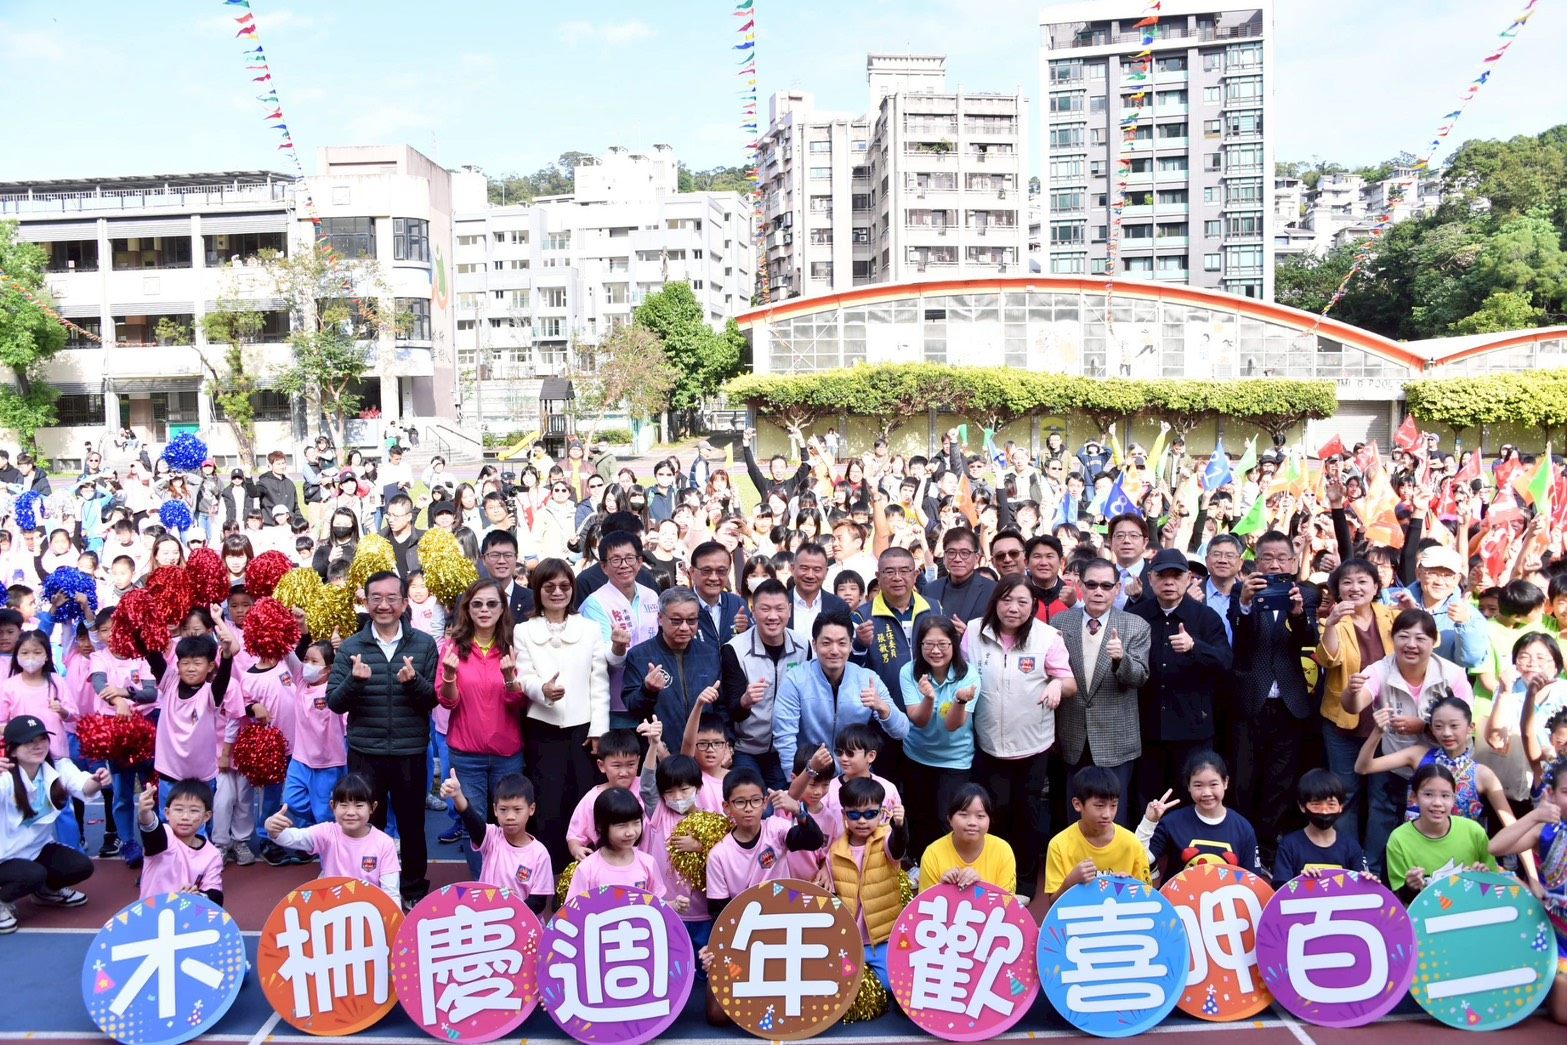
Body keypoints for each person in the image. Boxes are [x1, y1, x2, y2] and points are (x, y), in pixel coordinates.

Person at [326, 571, 439, 907]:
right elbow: (334, 702)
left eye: (392, 598)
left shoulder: (423, 644)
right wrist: (355, 682)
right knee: (365, 826)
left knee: (412, 826)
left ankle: (413, 891)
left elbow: (431, 699)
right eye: (377, 598)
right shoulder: (351, 647)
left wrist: (413, 682)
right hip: (365, 752)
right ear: (367, 600)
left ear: (405, 602)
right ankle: (367, 891)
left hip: (409, 751)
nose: (384, 605)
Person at [967, 576, 1077, 898]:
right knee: (994, 812)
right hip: (988, 744)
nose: (1013, 608)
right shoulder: (974, 632)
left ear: (1033, 606)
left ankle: (1025, 883)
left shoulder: (1047, 637)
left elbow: (1068, 681)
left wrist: (1056, 684)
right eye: (1006, 600)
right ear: (995, 601)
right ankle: (994, 878)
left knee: (1027, 816)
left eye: (1022, 602)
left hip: (1033, 744)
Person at [702, 765, 824, 1024]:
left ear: (765, 802)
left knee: (804, 1004)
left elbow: (813, 840)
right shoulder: (719, 856)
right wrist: (723, 953)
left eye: (756, 800)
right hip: (744, 935)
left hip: (785, 927)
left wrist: (799, 811)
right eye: (741, 802)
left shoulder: (777, 828)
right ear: (727, 807)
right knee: (717, 1015)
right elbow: (719, 913)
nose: (749, 808)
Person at [515, 559, 613, 870]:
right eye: (549, 587)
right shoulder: (523, 630)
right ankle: (548, 874)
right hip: (542, 728)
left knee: (582, 800)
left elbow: (598, 681)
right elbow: (524, 674)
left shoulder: (589, 628)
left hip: (583, 730)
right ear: (538, 590)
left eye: (564, 586)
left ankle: (586, 872)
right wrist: (542, 690)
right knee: (546, 803)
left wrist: (599, 730)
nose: (557, 592)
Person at [1231, 530, 1320, 869]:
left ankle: (1268, 852)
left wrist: (1298, 615)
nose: (1275, 564)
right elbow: (1240, 640)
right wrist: (1245, 603)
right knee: (1243, 780)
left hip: (1289, 704)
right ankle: (1242, 849)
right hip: (1249, 702)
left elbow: (1308, 640)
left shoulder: (1306, 595)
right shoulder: (1243, 594)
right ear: (1256, 562)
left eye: (1282, 558)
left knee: (1280, 784)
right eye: (1268, 558)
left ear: (1293, 563)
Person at [1127, 548, 1230, 808]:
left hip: (1192, 727)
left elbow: (1225, 662)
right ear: (1150, 579)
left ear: (1188, 579)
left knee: (1189, 798)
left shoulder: (1205, 617)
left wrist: (1195, 647)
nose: (1169, 582)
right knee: (1147, 799)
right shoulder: (1138, 616)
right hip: (1146, 727)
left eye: (1176, 575)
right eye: (1162, 576)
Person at [438, 579, 524, 878]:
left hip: (508, 753)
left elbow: (518, 702)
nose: (484, 610)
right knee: (472, 825)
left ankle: (510, 884)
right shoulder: (453, 647)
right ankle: (480, 886)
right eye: (477, 604)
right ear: (467, 609)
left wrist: (510, 676)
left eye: (491, 604)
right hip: (466, 754)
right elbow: (448, 702)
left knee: (510, 824)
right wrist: (450, 675)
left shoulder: (513, 645)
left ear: (502, 608)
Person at [1314, 557, 1398, 850]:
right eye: (1346, 582)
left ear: (1376, 586)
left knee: (1382, 798)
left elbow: (1424, 646)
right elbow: (1329, 659)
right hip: (1343, 724)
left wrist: (1415, 613)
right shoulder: (1331, 619)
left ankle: (1375, 865)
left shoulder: (1392, 617)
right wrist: (1333, 624)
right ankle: (1348, 863)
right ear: (1337, 590)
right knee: (1345, 795)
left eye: (1363, 581)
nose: (1355, 587)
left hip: (1386, 723)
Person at [0, 715, 105, 932]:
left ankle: (45, 892)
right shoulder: (5, 778)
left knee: (81, 866)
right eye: (29, 742)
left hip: (36, 850)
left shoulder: (58, 767)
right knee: (33, 875)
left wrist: (97, 781)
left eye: (41, 739)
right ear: (11, 750)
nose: (38, 745)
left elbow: (84, 786)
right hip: (5, 857)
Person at [772, 612, 907, 776]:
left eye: (842, 643)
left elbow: (901, 731)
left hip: (854, 777)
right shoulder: (795, 679)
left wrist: (883, 708)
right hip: (812, 775)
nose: (834, 650)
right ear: (814, 645)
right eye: (826, 643)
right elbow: (785, 737)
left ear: (851, 645)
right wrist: (796, 781)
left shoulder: (867, 678)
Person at [1488, 757, 1567, 1026]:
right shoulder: (1545, 831)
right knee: (1562, 1014)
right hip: (1558, 938)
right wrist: (1535, 815)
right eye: (1566, 792)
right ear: (1551, 794)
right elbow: (1495, 847)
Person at [899, 615, 980, 859]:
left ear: (954, 645)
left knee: (948, 817)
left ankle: (951, 866)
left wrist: (958, 700)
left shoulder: (969, 676)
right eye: (928, 644)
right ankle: (919, 865)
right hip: (917, 755)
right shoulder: (909, 671)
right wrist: (929, 698)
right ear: (919, 646)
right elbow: (919, 720)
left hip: (955, 759)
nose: (936, 651)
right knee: (918, 815)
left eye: (943, 644)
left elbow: (954, 724)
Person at [719, 579, 809, 793]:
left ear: (789, 610)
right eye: (765, 609)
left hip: (785, 748)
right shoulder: (735, 649)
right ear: (753, 610)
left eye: (779, 609)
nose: (772, 616)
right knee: (751, 804)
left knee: (785, 806)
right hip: (746, 749)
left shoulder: (803, 646)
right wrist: (745, 701)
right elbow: (731, 708)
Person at [265, 773, 402, 904]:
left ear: (373, 807)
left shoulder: (384, 843)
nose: (351, 812)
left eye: (359, 805)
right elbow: (291, 838)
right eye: (343, 805)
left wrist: (393, 923)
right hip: (330, 912)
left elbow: (391, 894)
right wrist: (271, 826)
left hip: (369, 915)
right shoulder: (326, 833)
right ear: (333, 806)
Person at [826, 775, 906, 992]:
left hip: (882, 938)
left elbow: (898, 848)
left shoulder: (886, 839)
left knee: (890, 986)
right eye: (854, 814)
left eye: (870, 814)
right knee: (837, 986)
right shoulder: (834, 850)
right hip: (847, 940)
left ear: (881, 813)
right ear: (844, 815)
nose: (862, 821)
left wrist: (900, 827)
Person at [1136, 750, 1265, 882]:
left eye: (1213, 784)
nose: (1206, 793)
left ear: (1225, 782)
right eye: (1198, 785)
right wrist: (1149, 821)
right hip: (1178, 900)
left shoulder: (1243, 829)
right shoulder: (1172, 822)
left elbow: (1253, 881)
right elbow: (1139, 861)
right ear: (1188, 786)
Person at [1386, 763, 1497, 904]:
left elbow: (1495, 883)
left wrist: (1483, 877)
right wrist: (1410, 887)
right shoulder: (1399, 839)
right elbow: (1399, 900)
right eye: (1428, 794)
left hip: (1473, 912)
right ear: (1414, 797)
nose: (1437, 803)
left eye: (1445, 795)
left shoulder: (1474, 831)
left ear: (1453, 799)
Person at [442, 771, 551, 913]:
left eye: (517, 809)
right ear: (495, 809)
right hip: (486, 921)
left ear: (531, 809)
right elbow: (472, 821)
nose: (510, 816)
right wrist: (457, 796)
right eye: (503, 809)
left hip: (524, 927)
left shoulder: (539, 854)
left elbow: (539, 902)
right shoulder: (492, 837)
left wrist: (513, 905)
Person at [580, 531, 658, 731]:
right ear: (604, 567)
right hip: (617, 703)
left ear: (640, 562)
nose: (624, 565)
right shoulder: (595, 604)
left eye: (629, 558)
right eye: (615, 560)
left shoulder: (652, 596)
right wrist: (617, 647)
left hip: (656, 696)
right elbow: (603, 658)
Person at [623, 587, 722, 743]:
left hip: (703, 748)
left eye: (691, 620)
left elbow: (721, 707)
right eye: (676, 621)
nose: (684, 627)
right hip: (659, 748)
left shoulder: (710, 653)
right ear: (660, 618)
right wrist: (647, 690)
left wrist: (725, 743)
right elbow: (633, 708)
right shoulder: (639, 655)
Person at [1044, 765, 1151, 909]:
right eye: (1099, 806)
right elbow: (1054, 905)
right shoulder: (1059, 845)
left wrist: (1131, 887)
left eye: (1113, 805)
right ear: (1077, 804)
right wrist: (1071, 882)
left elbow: (1148, 898)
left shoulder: (1131, 843)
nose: (1107, 814)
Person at [283, 641, 347, 832]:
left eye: (314, 661)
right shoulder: (301, 683)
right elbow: (286, 650)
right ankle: (326, 828)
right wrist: (300, 627)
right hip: (301, 759)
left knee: (323, 812)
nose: (307, 665)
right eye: (306, 660)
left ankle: (330, 845)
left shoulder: (335, 689)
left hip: (328, 763)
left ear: (328, 669)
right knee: (291, 801)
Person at [1272, 769, 1369, 885]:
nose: (1324, 811)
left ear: (1341, 806)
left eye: (1331, 804)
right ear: (1302, 806)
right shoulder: (1289, 845)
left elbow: (1361, 889)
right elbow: (1280, 889)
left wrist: (1369, 882)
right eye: (1316, 804)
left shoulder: (1351, 847)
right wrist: (1300, 881)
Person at [918, 784, 1017, 894]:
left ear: (989, 820)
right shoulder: (933, 854)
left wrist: (980, 886)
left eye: (980, 816)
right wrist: (943, 889)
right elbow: (923, 907)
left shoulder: (1003, 851)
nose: (972, 823)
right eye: (964, 815)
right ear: (949, 819)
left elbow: (1007, 906)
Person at [136, 779, 223, 904]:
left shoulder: (212, 854)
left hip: (187, 918)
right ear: (167, 813)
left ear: (206, 816)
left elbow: (216, 895)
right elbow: (152, 831)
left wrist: (199, 896)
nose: (185, 817)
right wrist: (145, 813)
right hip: (150, 915)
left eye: (194, 810)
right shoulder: (165, 835)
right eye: (178, 809)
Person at [571, 787, 668, 897]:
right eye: (621, 825)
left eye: (636, 823)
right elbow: (574, 911)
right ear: (601, 827)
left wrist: (674, 904)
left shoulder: (648, 863)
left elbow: (657, 905)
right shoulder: (587, 869)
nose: (630, 832)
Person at [565, 728, 646, 860]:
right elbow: (575, 835)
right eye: (617, 766)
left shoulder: (646, 787)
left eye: (631, 764)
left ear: (638, 761)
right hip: (607, 865)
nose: (624, 772)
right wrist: (576, 849)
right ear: (601, 765)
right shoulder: (592, 798)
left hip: (645, 864)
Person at [924, 528, 996, 628]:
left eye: (964, 553)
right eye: (952, 552)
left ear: (976, 558)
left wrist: (968, 635)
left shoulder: (992, 590)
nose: (957, 559)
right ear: (944, 557)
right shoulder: (930, 590)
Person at [787, 542, 848, 637]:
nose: (810, 575)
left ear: (826, 572)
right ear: (792, 569)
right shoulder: (780, 604)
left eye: (817, 570)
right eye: (804, 568)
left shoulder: (838, 606)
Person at [252, 450, 298, 518]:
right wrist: (248, 479)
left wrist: (299, 519)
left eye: (283, 463)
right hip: (270, 524)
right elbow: (253, 493)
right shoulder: (264, 482)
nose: (281, 466)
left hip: (288, 524)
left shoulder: (289, 483)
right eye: (278, 464)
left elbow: (296, 506)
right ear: (271, 466)